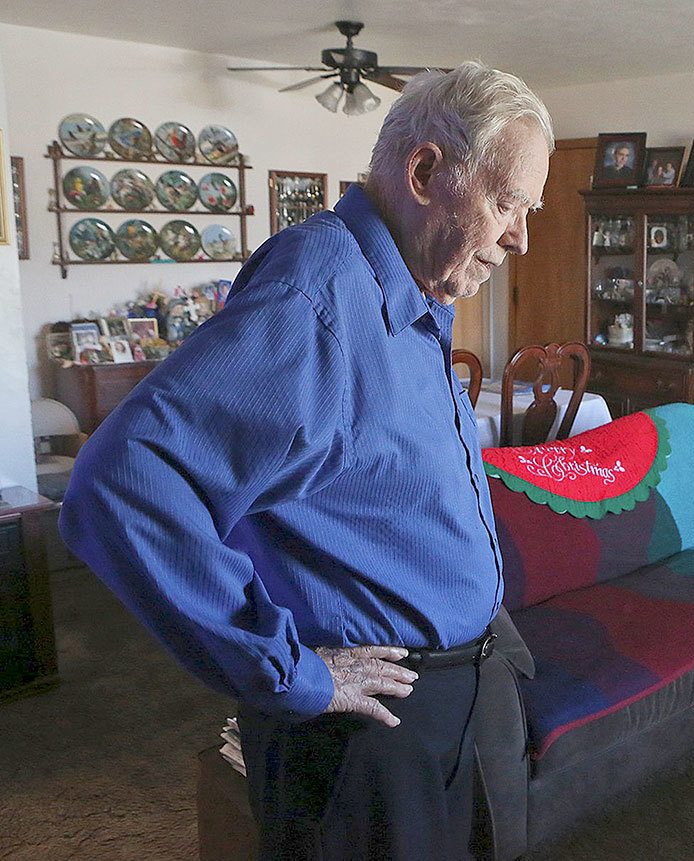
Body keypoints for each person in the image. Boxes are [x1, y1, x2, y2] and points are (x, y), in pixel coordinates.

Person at [58, 61, 553, 860]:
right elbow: (124, 484)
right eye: (507, 202)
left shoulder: (417, 288)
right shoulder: (316, 295)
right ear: (425, 170)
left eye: (527, 208)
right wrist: (291, 670)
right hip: (369, 732)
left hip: (459, 696)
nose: (521, 235)